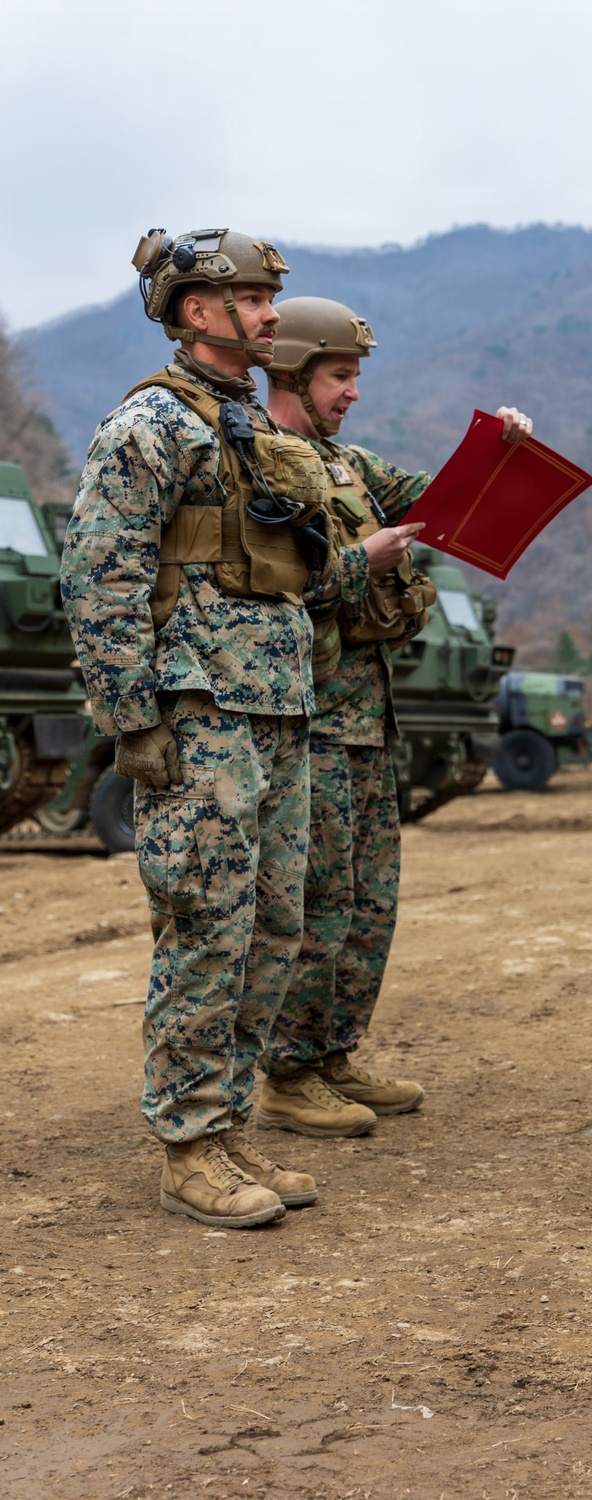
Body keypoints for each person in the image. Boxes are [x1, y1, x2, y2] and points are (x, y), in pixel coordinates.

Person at [61, 229, 328, 1228]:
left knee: (273, 925)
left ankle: (227, 1123)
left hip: (276, 706)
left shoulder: (248, 426)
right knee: (205, 924)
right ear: (197, 311)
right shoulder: (149, 424)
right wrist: (131, 721)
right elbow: (101, 576)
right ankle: (187, 1145)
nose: (270, 312)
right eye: (252, 298)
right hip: (199, 711)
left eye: (269, 296)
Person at [256, 296, 532, 1137]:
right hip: (306, 722)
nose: (353, 393)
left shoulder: (347, 465)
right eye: (340, 377)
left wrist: (501, 447)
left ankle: (333, 1052)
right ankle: (287, 1073)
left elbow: (441, 502)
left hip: (366, 721)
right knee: (317, 901)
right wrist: (359, 563)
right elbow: (259, 590)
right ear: (292, 373)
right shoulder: (257, 462)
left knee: (370, 902)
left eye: (354, 378)